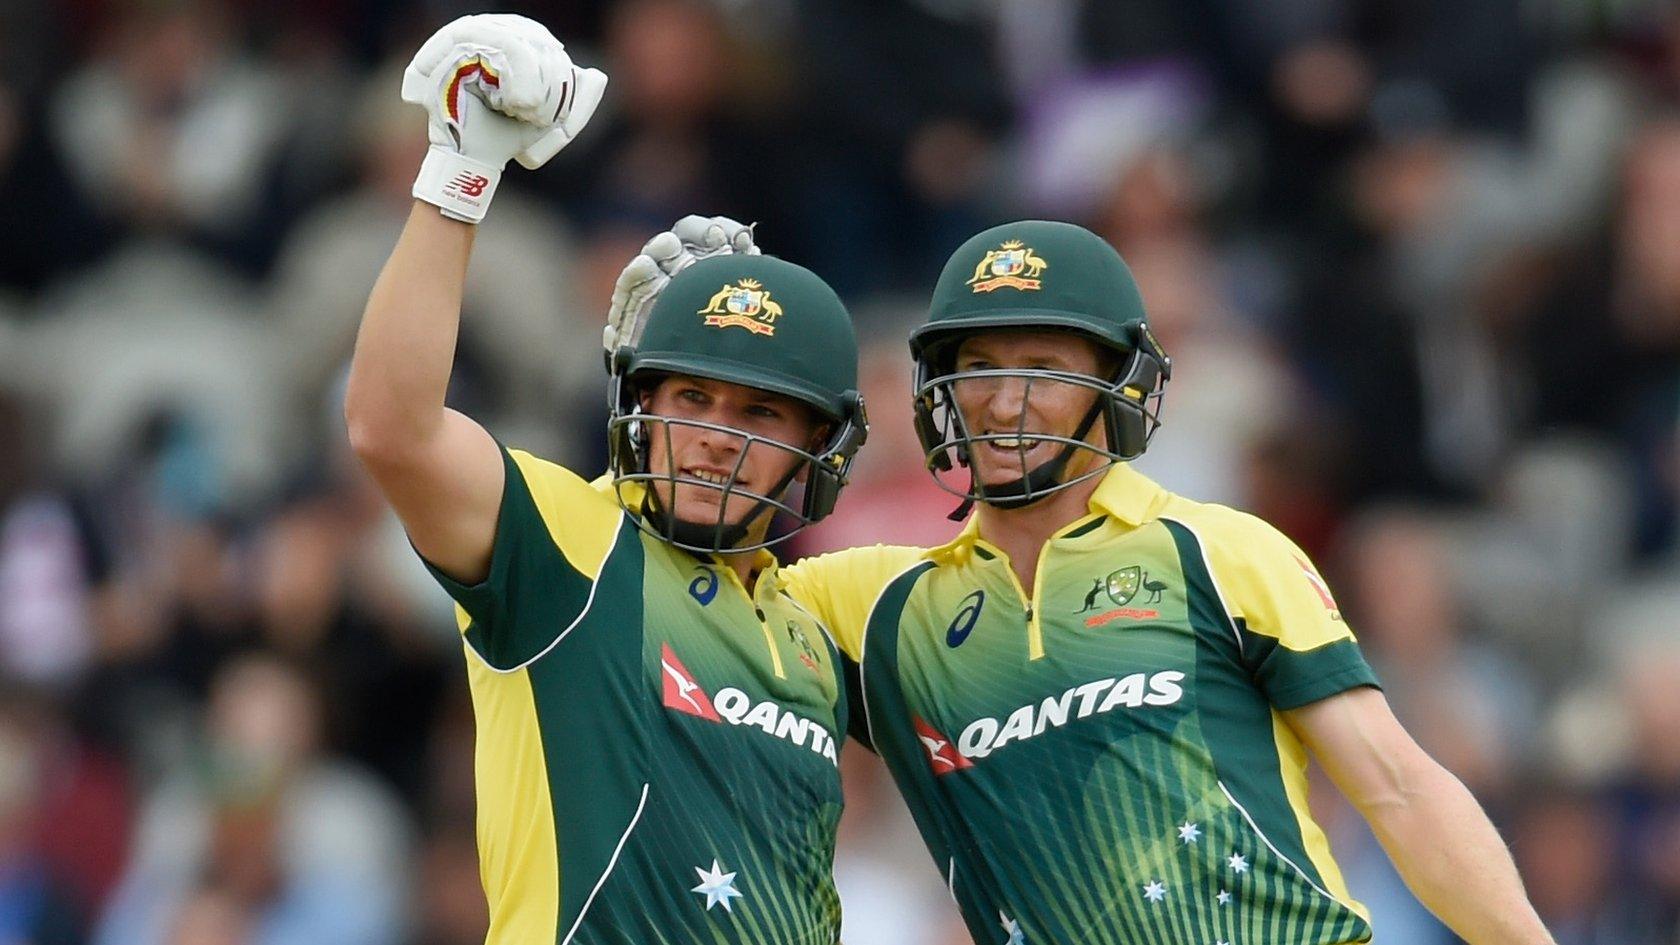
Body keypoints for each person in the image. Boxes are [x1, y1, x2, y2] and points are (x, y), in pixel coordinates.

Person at [783, 220, 1556, 944]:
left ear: (1116, 386)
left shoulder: (1219, 551)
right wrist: (666, 363)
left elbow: (1399, 786)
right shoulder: (876, 606)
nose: (1001, 398)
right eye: (978, 365)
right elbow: (677, 604)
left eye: (1043, 367)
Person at [344, 15, 867, 944]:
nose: (716, 439)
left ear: (815, 450)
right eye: (692, 398)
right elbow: (392, 428)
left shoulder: (820, 622)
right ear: (638, 404)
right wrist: (459, 179)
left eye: (758, 414)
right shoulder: (570, 543)